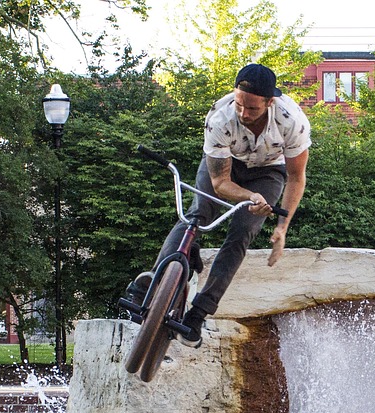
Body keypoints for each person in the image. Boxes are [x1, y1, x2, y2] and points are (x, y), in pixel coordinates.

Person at [121, 63, 310, 347]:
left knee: (242, 232)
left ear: (270, 102)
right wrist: (247, 197)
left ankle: (199, 311)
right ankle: (152, 282)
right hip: (225, 166)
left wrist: (282, 227)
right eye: (239, 105)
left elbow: (296, 177)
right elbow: (220, 183)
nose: (244, 114)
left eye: (253, 109)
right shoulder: (219, 118)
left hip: (268, 172)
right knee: (197, 215)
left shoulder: (291, 120)